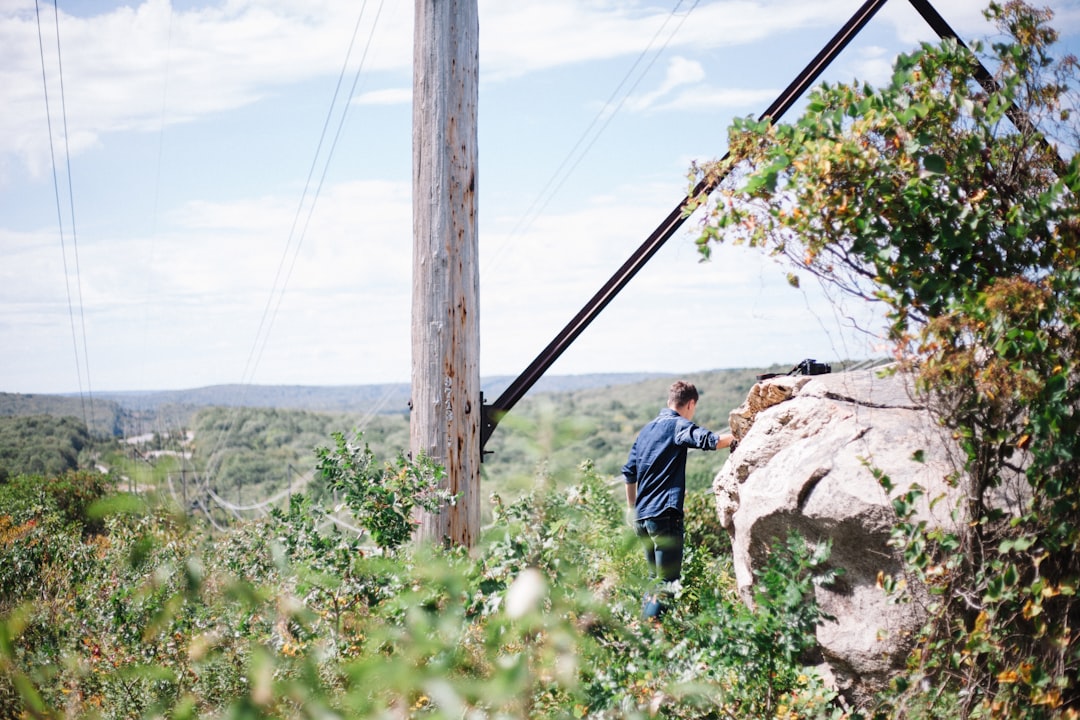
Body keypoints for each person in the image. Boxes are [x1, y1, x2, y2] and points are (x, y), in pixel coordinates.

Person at [622, 380, 735, 619]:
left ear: (669, 401)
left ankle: (641, 634)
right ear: (691, 404)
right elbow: (711, 441)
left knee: (655, 580)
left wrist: (632, 509)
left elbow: (629, 473)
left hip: (642, 518)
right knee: (667, 584)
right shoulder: (678, 425)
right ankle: (650, 635)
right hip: (664, 515)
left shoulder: (645, 432)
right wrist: (741, 435)